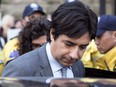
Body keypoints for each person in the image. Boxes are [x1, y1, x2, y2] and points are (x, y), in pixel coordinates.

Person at [2, 1, 97, 77]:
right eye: (69, 44)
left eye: (82, 47)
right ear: (52, 33)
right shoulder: (19, 70)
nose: (74, 55)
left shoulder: (78, 67)